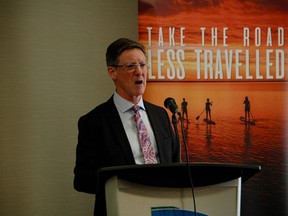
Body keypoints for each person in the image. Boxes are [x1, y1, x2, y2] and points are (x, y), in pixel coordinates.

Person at [73, 38, 180, 215]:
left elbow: (174, 164)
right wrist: (124, 180)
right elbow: (82, 180)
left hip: (164, 208)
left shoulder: (161, 115)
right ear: (112, 72)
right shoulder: (93, 121)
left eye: (143, 65)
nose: (139, 72)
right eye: (130, 66)